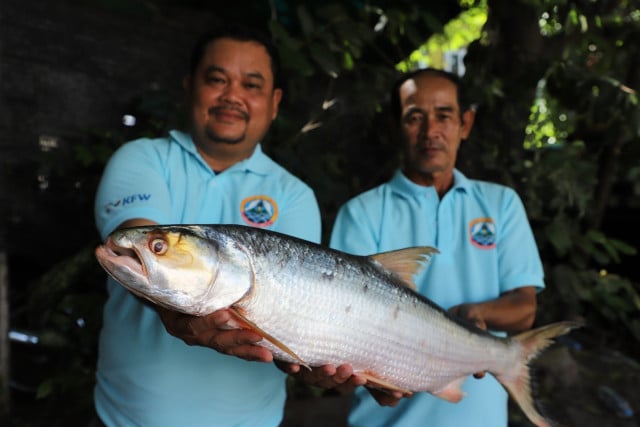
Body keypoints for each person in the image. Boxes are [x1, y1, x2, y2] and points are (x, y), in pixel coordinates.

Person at [93, 24, 323, 426]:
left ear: (274, 102)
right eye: (216, 79)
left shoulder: (295, 195)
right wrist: (174, 309)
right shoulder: (142, 158)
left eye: (251, 85)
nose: (232, 95)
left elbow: (292, 312)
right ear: (188, 87)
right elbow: (139, 241)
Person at [327, 68, 544, 426]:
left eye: (444, 116)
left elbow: (525, 307)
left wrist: (478, 312)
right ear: (396, 126)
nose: (431, 132)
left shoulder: (501, 203)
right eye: (415, 117)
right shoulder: (361, 211)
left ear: (465, 124)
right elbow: (342, 328)